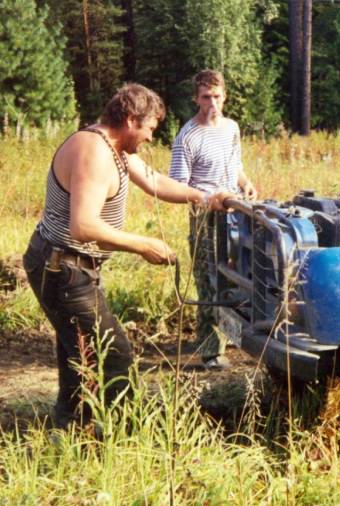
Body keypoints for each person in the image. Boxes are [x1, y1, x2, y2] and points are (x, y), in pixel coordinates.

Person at [22, 83, 235, 428]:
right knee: (113, 356)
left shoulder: (114, 147)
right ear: (132, 120)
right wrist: (144, 245)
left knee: (80, 353)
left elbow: (155, 181)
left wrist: (205, 198)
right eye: (151, 128)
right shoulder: (93, 151)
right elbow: (83, 225)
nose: (151, 137)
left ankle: (72, 431)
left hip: (70, 265)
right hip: (62, 266)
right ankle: (115, 435)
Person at [169, 70, 258, 371]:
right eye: (206, 97)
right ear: (196, 98)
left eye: (217, 96)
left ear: (225, 96)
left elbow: (236, 166)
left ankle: (234, 335)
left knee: (239, 277)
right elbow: (178, 186)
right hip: (205, 216)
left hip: (236, 213)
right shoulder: (187, 136)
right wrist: (209, 198)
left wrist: (245, 183)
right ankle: (210, 351)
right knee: (209, 282)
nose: (212, 103)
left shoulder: (232, 128)